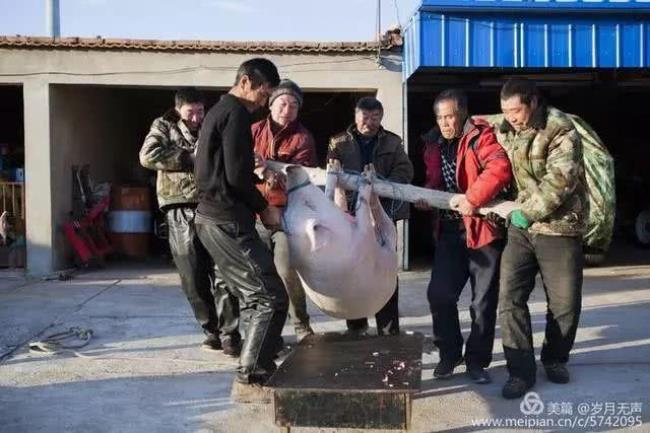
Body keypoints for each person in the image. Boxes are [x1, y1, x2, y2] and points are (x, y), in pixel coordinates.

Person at [193, 58, 288, 394]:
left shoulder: (221, 112)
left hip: (214, 218)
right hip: (226, 220)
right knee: (270, 297)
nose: (265, 102)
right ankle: (252, 378)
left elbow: (228, 171)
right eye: (264, 94)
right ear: (246, 81)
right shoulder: (234, 113)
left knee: (256, 297)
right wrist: (265, 208)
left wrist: (255, 176)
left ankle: (257, 365)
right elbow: (234, 178)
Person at [496, 78, 587, 399]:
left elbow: (560, 180)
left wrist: (529, 211)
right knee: (509, 298)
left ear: (533, 102)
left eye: (516, 110)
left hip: (559, 228)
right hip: (521, 229)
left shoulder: (561, 129)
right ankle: (520, 372)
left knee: (564, 304)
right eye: (505, 111)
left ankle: (555, 358)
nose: (511, 117)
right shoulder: (506, 128)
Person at [415, 89, 512, 384]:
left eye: (450, 116)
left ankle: (477, 361)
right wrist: (427, 195)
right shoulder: (432, 143)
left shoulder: (481, 136)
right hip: (448, 231)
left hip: (482, 232)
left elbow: (499, 168)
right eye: (440, 117)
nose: (445, 123)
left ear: (463, 114)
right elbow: (437, 179)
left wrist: (473, 197)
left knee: (482, 303)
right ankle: (449, 353)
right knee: (440, 295)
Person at [139, 87, 240, 356]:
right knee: (192, 274)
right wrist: (188, 158)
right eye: (190, 112)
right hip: (180, 206)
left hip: (215, 205)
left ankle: (231, 333)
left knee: (223, 271)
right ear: (178, 110)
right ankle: (210, 330)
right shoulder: (164, 126)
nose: (196, 118)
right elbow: (147, 156)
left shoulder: (213, 125)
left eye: (200, 111)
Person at [328, 96, 413, 336]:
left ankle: (388, 328)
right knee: (353, 270)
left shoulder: (393, 143)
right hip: (350, 217)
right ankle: (356, 325)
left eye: (375, 117)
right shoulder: (339, 142)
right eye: (365, 117)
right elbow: (331, 175)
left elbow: (405, 170)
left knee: (384, 271)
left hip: (382, 214)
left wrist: (381, 186)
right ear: (355, 117)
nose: (370, 122)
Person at [252, 79, 317, 343]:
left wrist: (267, 168)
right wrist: (254, 169)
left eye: (293, 105)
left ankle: (301, 325)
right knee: (257, 276)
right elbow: (236, 166)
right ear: (270, 105)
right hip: (253, 212)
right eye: (282, 103)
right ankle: (267, 334)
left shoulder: (303, 137)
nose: (286, 109)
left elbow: (301, 176)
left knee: (286, 270)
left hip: (285, 215)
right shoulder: (253, 130)